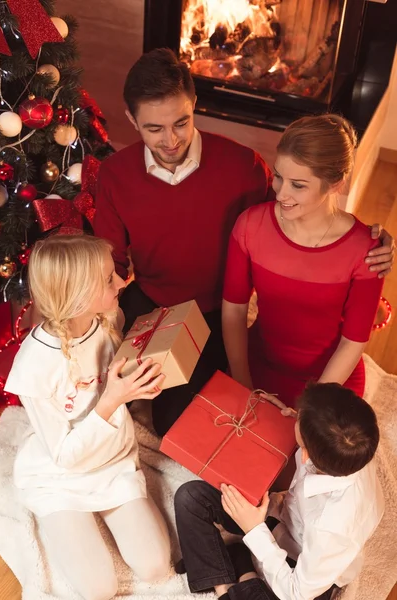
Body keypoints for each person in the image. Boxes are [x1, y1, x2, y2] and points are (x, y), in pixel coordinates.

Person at [94, 49, 395, 435]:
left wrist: (369, 243)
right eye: (154, 128)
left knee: (179, 422)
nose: (171, 140)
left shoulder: (245, 167)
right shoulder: (116, 174)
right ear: (131, 119)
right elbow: (110, 262)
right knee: (103, 392)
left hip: (213, 312)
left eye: (181, 123)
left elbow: (293, 223)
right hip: (151, 304)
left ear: (195, 105)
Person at [4, 235, 171, 600]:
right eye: (109, 279)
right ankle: (62, 522)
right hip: (61, 476)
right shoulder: (35, 366)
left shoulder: (107, 321)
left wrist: (138, 389)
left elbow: (119, 383)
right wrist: (111, 401)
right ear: (78, 294)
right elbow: (65, 456)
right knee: (98, 589)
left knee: (157, 566)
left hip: (113, 464)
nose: (121, 282)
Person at [222, 114, 387, 407]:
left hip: (329, 380)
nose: (281, 193)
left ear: (335, 184)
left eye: (298, 185)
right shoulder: (249, 226)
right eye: (279, 177)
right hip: (257, 366)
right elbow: (234, 311)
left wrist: (312, 408)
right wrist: (242, 384)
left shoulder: (367, 250)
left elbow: (353, 342)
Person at [174, 382, 384, 600]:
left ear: (306, 455)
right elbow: (328, 432)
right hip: (284, 521)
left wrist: (253, 528)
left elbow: (296, 593)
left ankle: (226, 585)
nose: (296, 414)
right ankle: (235, 569)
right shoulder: (355, 445)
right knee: (190, 498)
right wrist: (305, 421)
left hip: (303, 571)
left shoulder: (332, 528)